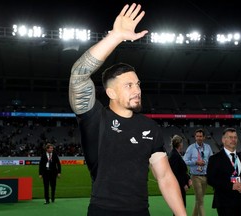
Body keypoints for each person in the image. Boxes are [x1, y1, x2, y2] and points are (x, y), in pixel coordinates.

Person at [68, 3, 186, 216]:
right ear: (111, 93)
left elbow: (165, 177)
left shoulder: (149, 127)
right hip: (103, 211)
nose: (137, 90)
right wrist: (116, 37)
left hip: (141, 212)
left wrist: (182, 214)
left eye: (138, 84)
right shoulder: (95, 118)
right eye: (129, 85)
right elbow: (78, 76)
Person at [206, 127, 241, 216]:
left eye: (235, 137)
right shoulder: (215, 159)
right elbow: (210, 179)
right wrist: (231, 186)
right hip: (224, 202)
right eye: (230, 137)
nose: (233, 140)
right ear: (223, 140)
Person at [183, 128, 213, 216]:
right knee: (200, 201)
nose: (199, 138)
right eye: (197, 136)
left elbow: (211, 160)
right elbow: (185, 161)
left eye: (201, 136)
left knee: (199, 199)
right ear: (195, 137)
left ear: (204, 137)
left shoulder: (208, 147)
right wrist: (196, 162)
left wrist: (206, 162)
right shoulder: (191, 148)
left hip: (205, 176)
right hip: (195, 177)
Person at [168, 135, 192, 215]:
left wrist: (188, 178)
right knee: (180, 207)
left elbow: (181, 170)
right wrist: (183, 184)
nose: (182, 144)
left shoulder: (175, 154)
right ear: (179, 144)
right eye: (182, 143)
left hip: (178, 185)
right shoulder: (174, 155)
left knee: (179, 207)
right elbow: (176, 173)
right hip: (177, 186)